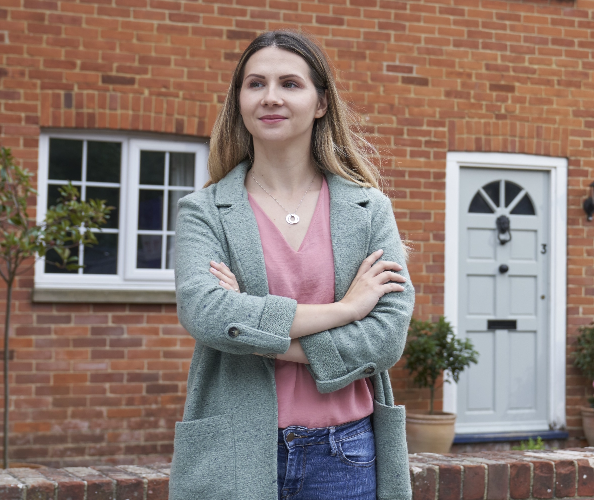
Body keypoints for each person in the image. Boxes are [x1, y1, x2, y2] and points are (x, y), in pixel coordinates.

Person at [171, 30, 415, 500]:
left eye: (290, 84)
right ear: (239, 100)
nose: (271, 98)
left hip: (347, 452)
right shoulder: (203, 210)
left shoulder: (369, 209)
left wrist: (255, 335)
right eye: (255, 84)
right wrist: (346, 309)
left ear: (321, 103)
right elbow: (206, 313)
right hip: (236, 450)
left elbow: (386, 337)